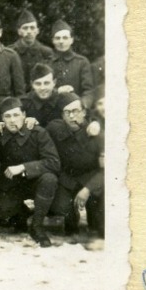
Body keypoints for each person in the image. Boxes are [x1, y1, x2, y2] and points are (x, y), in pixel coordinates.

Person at [0, 96, 62, 247]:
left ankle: (37, 225)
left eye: (16, 115)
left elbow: (54, 162)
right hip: (11, 185)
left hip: (35, 182)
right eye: (7, 116)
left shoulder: (38, 133)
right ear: (2, 118)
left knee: (49, 179)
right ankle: (21, 213)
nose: (12, 120)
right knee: (1, 213)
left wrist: (24, 167)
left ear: (24, 115)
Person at [47, 93, 104, 237]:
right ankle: (72, 218)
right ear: (62, 115)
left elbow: (106, 170)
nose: (72, 116)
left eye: (76, 111)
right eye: (67, 112)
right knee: (64, 213)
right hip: (67, 180)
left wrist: (88, 189)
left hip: (90, 181)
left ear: (84, 112)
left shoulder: (97, 135)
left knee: (100, 224)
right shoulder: (55, 129)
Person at [47, 21, 97, 110]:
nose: (61, 41)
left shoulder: (82, 62)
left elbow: (88, 90)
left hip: (77, 110)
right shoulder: (47, 63)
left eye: (65, 38)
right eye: (57, 38)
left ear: (71, 40)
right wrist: (57, 91)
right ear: (53, 40)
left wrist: (82, 105)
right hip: (52, 110)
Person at [22, 63, 64, 129]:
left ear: (54, 83)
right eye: (38, 84)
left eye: (46, 83)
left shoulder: (62, 99)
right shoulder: (24, 103)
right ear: (32, 84)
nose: (42, 88)